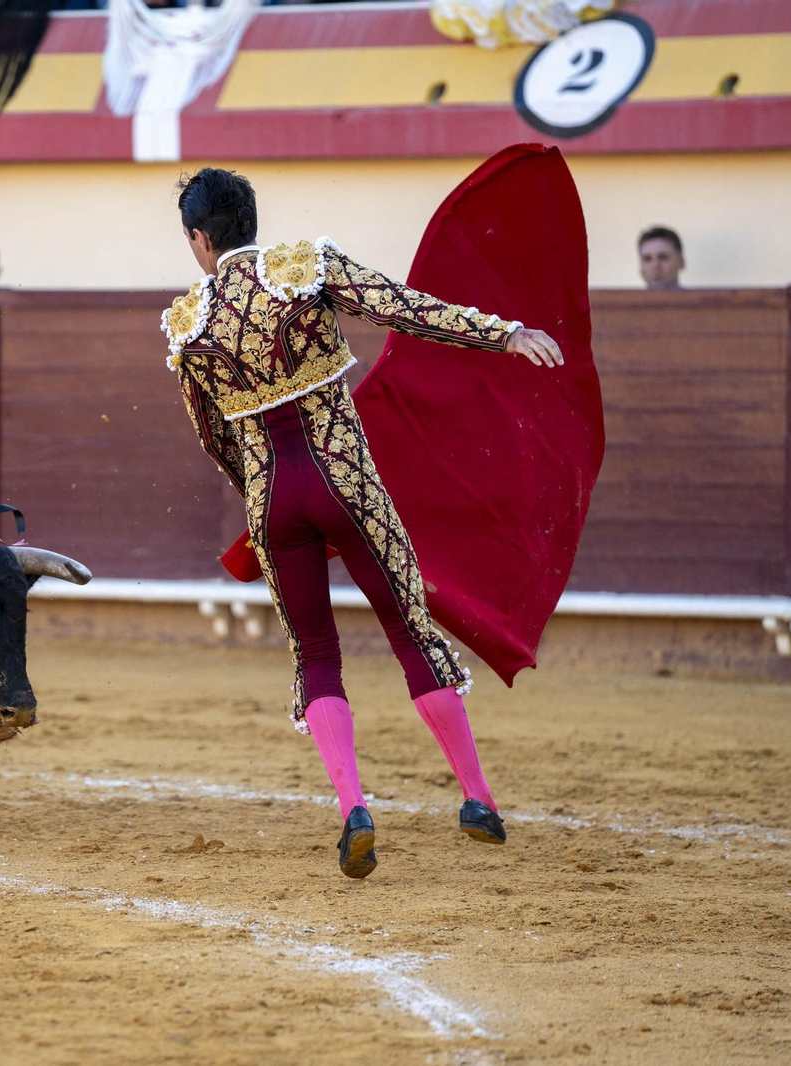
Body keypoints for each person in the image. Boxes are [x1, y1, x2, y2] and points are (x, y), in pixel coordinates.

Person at [163, 168, 563, 879]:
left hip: (273, 499)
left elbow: (212, 436)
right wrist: (503, 334)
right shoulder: (305, 268)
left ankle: (354, 808)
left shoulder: (188, 322)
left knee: (315, 654)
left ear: (198, 238)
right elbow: (403, 308)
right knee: (410, 632)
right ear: (253, 218)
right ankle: (477, 798)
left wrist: (256, 498)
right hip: (345, 478)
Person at [638, 225, 684, 290]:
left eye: (663, 257)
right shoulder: (626, 299)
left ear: (681, 262)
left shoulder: (697, 299)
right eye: (647, 259)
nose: (655, 266)